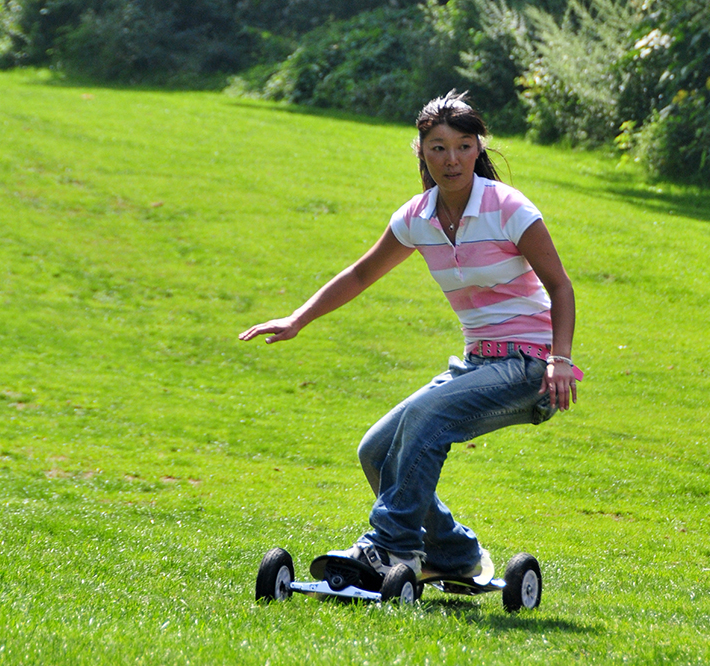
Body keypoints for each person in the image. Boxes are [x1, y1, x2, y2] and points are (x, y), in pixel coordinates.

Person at [240, 91, 581, 581]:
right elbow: (360, 274)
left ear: (478, 149)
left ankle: (392, 547)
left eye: (463, 147)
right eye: (438, 148)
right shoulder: (417, 218)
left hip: (530, 365)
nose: (452, 159)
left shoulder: (508, 207)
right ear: (421, 151)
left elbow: (560, 286)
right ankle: (455, 553)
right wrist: (298, 319)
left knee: (426, 416)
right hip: (476, 364)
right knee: (375, 451)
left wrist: (560, 360)